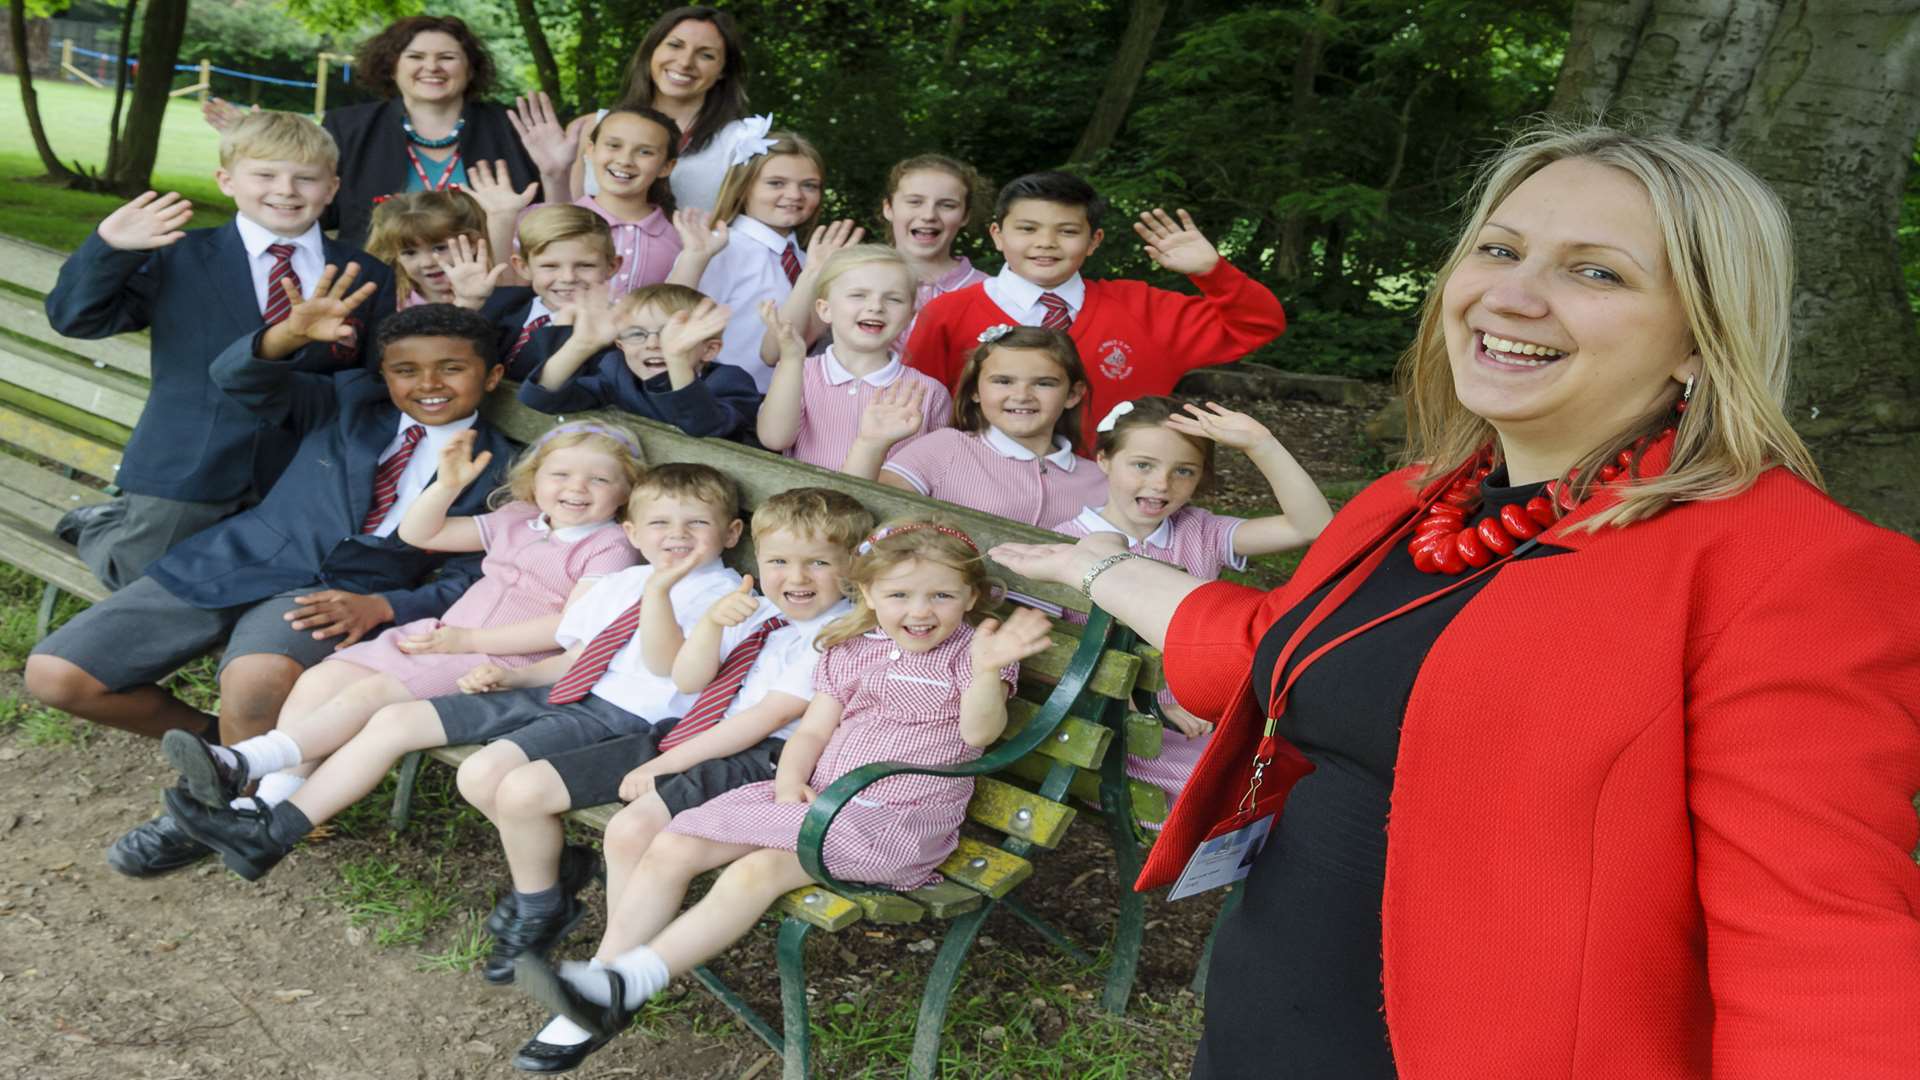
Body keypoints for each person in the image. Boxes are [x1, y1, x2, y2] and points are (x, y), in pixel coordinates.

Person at [989, 125, 1920, 1078]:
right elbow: (1289, 648)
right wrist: (1101, 568)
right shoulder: (1415, 501)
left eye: (1597, 274)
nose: (1511, 296)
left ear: (1700, 338)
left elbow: (1822, 947)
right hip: (1260, 1028)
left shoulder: (1796, 570)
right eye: (1500, 249)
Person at [508, 521, 1056, 1065]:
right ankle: (604, 987)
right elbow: (815, 731)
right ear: (866, 593)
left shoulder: (976, 654)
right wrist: (791, 781)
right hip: (818, 796)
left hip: (895, 819)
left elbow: (978, 735)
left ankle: (626, 983)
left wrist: (987, 672)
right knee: (673, 842)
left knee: (756, 872)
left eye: (941, 595)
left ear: (971, 598)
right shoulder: (851, 649)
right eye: (898, 595)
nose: (919, 611)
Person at [29, 296, 515, 877]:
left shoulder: (505, 471)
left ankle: (222, 805)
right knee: (57, 676)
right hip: (243, 557)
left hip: (346, 594)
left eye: (452, 368)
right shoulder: (349, 400)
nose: (428, 383)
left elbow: (480, 575)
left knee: (255, 681)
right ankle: (228, 753)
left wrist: (385, 604)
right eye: (406, 370)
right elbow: (240, 378)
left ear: (492, 375)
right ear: (383, 373)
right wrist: (282, 336)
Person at [161, 463, 748, 884]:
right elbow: (577, 658)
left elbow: (667, 669)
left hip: (623, 722)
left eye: (694, 525)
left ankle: (253, 794)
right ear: (633, 533)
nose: (676, 537)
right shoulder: (623, 582)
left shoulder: (725, 599)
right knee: (391, 722)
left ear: (730, 534)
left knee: (446, 748)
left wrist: (662, 591)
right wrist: (512, 677)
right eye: (661, 524)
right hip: (555, 691)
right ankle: (257, 791)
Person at [482, 488, 874, 1070]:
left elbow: (766, 721)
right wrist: (714, 628)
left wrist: (665, 764)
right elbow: (689, 679)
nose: (796, 576)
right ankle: (612, 979)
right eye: (779, 562)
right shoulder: (758, 610)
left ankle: (603, 988)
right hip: (692, 726)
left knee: (631, 829)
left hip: (757, 753)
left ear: (851, 568)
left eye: (818, 562)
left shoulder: (832, 638)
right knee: (591, 814)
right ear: (758, 561)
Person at [154, 422, 645, 825]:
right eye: (560, 473)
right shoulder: (518, 518)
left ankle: (245, 763)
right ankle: (270, 801)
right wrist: (447, 486)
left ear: (625, 494)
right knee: (319, 680)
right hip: (439, 639)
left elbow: (571, 626)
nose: (577, 488)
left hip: (500, 660)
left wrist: (469, 640)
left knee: (367, 697)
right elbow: (418, 532)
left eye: (599, 480)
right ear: (534, 481)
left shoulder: (608, 547)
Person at [43, 111, 392, 592]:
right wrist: (109, 248)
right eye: (265, 175)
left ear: (331, 188)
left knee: (268, 591)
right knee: (140, 581)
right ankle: (100, 523)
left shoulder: (365, 272)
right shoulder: (179, 255)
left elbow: (371, 374)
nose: (286, 190)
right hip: (190, 462)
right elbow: (76, 318)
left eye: (305, 178)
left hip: (299, 470)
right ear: (226, 181)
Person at [1052, 397, 1332, 818]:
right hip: (1121, 728)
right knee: (1240, 794)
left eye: (1183, 471)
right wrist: (1150, 709)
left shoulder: (1200, 531)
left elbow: (1313, 527)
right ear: (1105, 459)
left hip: (1208, 716)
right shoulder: (1065, 546)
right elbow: (1052, 662)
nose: (1162, 484)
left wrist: (1262, 444)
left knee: (1310, 774)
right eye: (1143, 465)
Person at [903, 170, 1287, 447]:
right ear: (998, 235)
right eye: (1028, 229)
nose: (1047, 243)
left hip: (1116, 506)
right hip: (981, 495)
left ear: (1094, 240)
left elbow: (1258, 325)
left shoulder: (1143, 308)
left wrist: (1213, 273)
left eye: (1067, 231)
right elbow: (918, 413)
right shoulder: (947, 314)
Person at [208, 17, 568, 250]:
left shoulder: (514, 128)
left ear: (470, 69)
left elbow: (553, 228)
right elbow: (315, 211)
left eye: (447, 57)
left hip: (489, 288)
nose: (431, 67)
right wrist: (262, 145)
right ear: (391, 66)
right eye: (415, 57)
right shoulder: (346, 127)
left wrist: (556, 173)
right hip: (371, 285)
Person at [845, 326, 1106, 528]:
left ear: (1072, 394)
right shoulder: (945, 448)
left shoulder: (1100, 479)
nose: (1022, 394)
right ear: (975, 391)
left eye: (1044, 383)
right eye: (1003, 381)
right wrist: (870, 444)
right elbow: (856, 514)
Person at [666, 131, 865, 393]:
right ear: (744, 187)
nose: (795, 194)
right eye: (776, 183)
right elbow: (671, 316)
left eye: (809, 185)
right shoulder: (719, 248)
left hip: (785, 403)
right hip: (722, 397)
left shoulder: (809, 260)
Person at [755, 245, 952, 470]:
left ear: (909, 316)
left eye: (894, 299)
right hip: (804, 502)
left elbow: (933, 472)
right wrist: (791, 359)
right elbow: (774, 438)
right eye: (858, 295)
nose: (876, 307)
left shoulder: (929, 392)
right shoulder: (798, 372)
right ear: (825, 309)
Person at [566, 6, 763, 212]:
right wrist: (552, 174)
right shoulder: (591, 128)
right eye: (675, 45)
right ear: (652, 50)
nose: (685, 62)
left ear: (723, 70)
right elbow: (562, 219)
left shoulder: (742, 142)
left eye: (706, 55)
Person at [516, 284, 761, 441]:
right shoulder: (617, 373)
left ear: (709, 350)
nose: (653, 344)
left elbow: (703, 425)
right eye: (636, 334)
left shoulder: (729, 381)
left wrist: (676, 360)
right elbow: (539, 399)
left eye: (669, 335)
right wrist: (581, 345)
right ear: (621, 345)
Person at [464, 205, 622, 379]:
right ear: (523, 267)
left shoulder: (615, 330)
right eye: (550, 266)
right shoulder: (498, 302)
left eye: (585, 265)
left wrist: (563, 330)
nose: (568, 278)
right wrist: (466, 304)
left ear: (612, 266)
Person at [881, 154, 991, 339]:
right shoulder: (854, 280)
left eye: (947, 205)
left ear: (965, 216)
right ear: (889, 208)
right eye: (915, 202)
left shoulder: (991, 292)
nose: (929, 215)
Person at [363, 189, 491, 309]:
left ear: (472, 243)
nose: (427, 263)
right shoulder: (393, 305)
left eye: (440, 248)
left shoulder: (494, 297)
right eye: (410, 253)